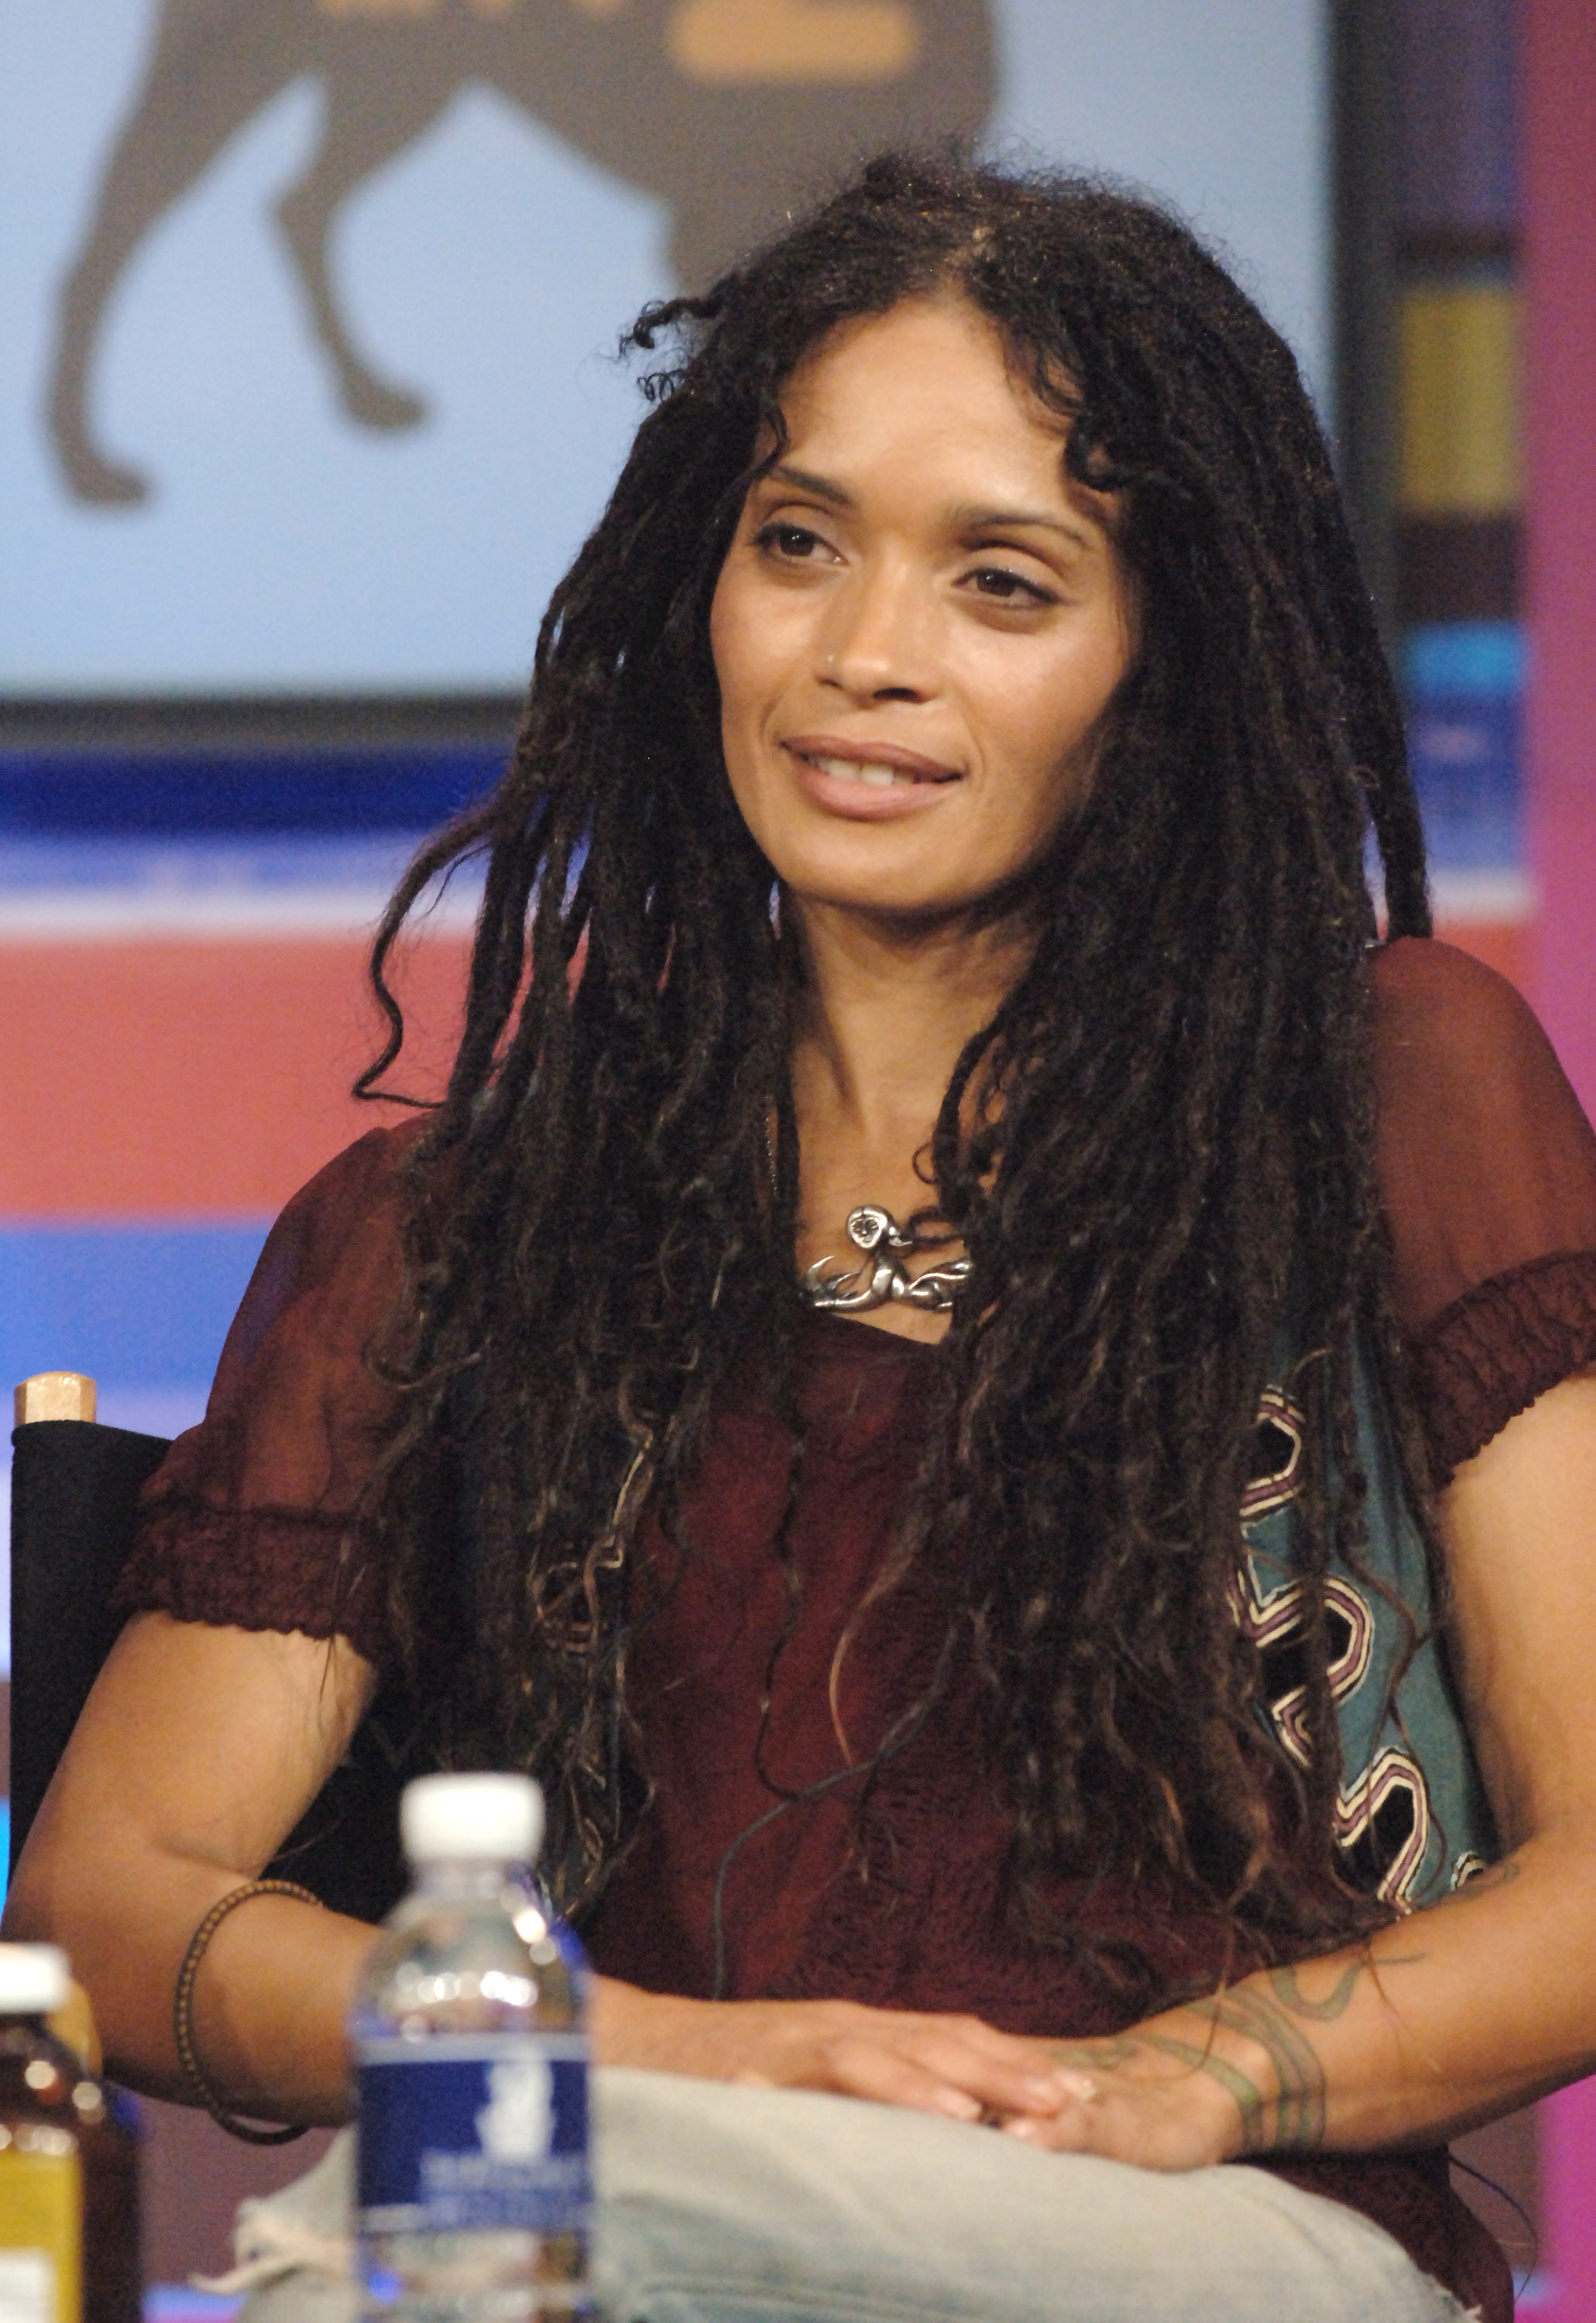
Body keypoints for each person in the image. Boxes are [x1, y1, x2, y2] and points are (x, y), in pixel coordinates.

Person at [9, 155, 1596, 2323]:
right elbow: (105, 1900)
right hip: (649, 2213)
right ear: (701, 590)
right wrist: (685, 2068)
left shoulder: (1387, 1090)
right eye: (797, 545)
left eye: (1005, 586)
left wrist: (1174, 2086)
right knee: (454, 2244)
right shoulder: (463, 1230)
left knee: (384, 2258)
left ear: (1164, 659)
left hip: (1209, 2226)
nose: (866, 657)